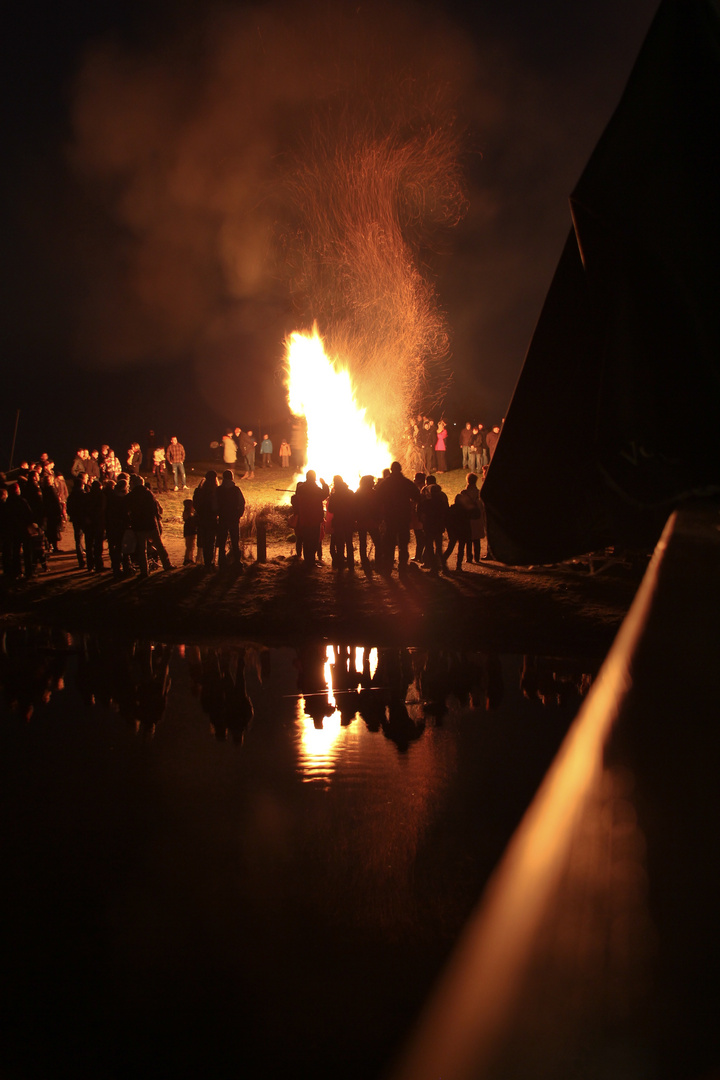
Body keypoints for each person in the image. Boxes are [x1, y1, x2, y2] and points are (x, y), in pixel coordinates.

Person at [374, 460, 420, 575]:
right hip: (403, 517)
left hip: (390, 517)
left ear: (391, 470)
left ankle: (388, 568)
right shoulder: (406, 482)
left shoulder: (386, 483)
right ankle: (402, 568)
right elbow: (417, 495)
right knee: (403, 544)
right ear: (400, 470)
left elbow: (378, 498)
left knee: (389, 543)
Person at [126, 474, 171, 576]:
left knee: (142, 549)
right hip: (150, 523)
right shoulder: (148, 493)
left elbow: (126, 509)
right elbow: (155, 509)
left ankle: (144, 571)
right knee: (159, 545)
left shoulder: (131, 495)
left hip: (138, 525)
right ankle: (167, 564)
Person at [291, 469, 329, 563]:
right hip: (315, 518)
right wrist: (324, 484)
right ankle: (311, 560)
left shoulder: (301, 488)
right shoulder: (315, 489)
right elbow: (325, 494)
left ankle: (307, 560)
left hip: (304, 518)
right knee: (314, 540)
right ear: (314, 478)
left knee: (306, 540)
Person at [419, 475, 449, 571]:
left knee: (429, 546)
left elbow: (420, 509)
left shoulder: (425, 497)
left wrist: (421, 519)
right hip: (439, 524)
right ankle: (443, 566)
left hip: (429, 524)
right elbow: (446, 509)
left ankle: (434, 567)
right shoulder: (442, 496)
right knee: (439, 547)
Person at [216, 470, 246, 567]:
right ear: (232, 478)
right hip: (233, 518)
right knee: (235, 540)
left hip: (223, 518)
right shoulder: (236, 490)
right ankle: (237, 561)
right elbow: (242, 503)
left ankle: (222, 560)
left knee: (222, 540)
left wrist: (217, 513)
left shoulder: (219, 490)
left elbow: (215, 504)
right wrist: (239, 514)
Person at [326, 475, 356, 570]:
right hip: (348, 521)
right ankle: (351, 564)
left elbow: (330, 509)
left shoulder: (335, 496)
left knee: (340, 543)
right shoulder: (350, 493)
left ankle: (340, 564)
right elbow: (355, 507)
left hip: (339, 521)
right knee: (349, 543)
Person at [193, 470, 219, 566]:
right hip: (212, 519)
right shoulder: (216, 491)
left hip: (202, 519)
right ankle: (210, 561)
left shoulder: (199, 491)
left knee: (204, 541)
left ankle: (207, 561)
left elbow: (195, 504)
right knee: (211, 540)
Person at [354, 474, 381, 569]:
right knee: (378, 542)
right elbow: (377, 507)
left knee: (362, 542)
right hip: (371, 521)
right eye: (372, 481)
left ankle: (364, 562)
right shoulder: (373, 493)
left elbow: (354, 508)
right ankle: (378, 562)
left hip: (362, 521)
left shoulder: (357, 493)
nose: (374, 483)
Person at [182, 499, 198, 565]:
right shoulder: (188, 513)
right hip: (190, 530)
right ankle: (187, 558)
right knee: (190, 545)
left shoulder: (188, 512)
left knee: (191, 545)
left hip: (189, 530)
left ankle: (190, 558)